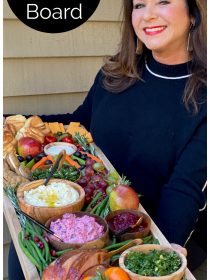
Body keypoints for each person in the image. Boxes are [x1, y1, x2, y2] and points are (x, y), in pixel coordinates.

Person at [8, 0, 206, 278]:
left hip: (139, 237)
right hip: (77, 219)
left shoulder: (203, 94)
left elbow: (185, 189)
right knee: (19, 262)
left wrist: (157, 255)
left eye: (163, 1)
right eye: (138, 5)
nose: (148, 15)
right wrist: (9, 118)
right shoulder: (116, 73)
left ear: (193, 14)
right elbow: (79, 122)